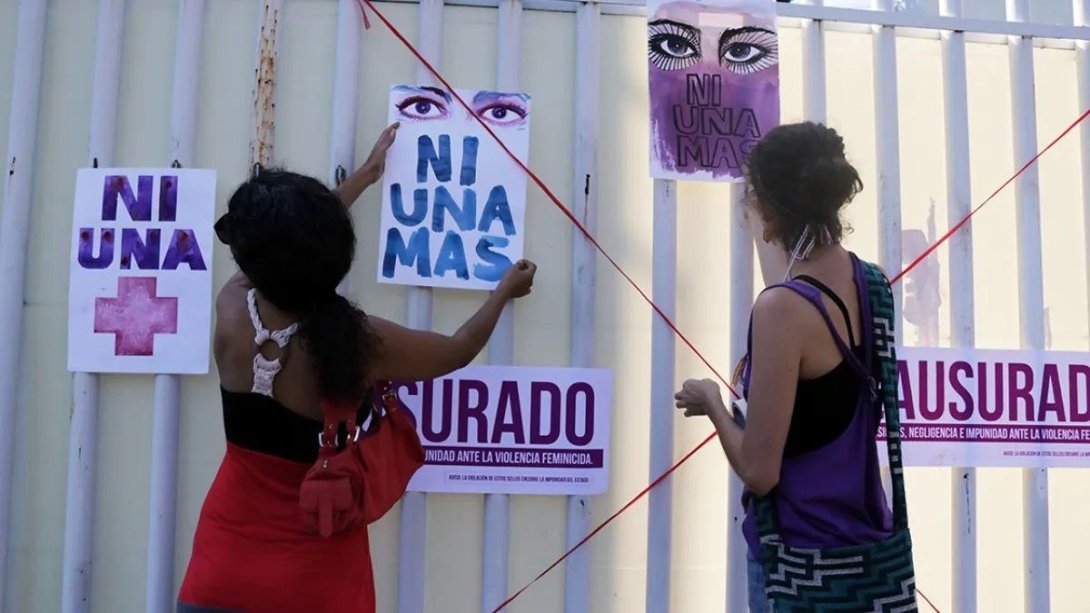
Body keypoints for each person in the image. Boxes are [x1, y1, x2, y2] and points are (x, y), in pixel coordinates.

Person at [177, 124, 538, 613]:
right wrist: (502, 293)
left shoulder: (234, 309)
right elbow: (457, 349)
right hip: (316, 581)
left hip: (220, 573)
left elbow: (279, 253)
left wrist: (364, 178)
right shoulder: (359, 342)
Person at [674, 122, 899, 611]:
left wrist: (712, 402)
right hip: (868, 551)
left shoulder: (781, 310)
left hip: (801, 557)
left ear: (769, 203)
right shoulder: (870, 282)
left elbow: (759, 472)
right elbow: (795, 281)